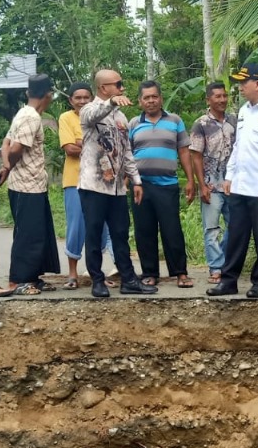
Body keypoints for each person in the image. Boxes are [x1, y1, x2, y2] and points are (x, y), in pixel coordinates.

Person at [206, 63, 258, 299]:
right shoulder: (243, 111)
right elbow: (239, 147)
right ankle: (229, 280)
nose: (240, 87)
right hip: (240, 186)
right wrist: (230, 176)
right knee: (236, 235)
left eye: (243, 83)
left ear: (257, 83)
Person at [78, 69, 158, 298]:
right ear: (104, 88)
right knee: (94, 233)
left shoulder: (121, 118)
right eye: (118, 84)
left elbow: (127, 151)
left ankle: (129, 279)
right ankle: (97, 280)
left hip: (117, 188)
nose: (122, 88)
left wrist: (136, 180)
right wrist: (111, 102)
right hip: (93, 185)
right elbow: (90, 116)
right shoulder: (89, 109)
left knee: (121, 233)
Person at [0, 74, 61, 296]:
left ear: (27, 93)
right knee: (29, 234)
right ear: (48, 95)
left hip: (30, 184)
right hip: (27, 185)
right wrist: (8, 163)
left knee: (37, 232)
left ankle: (33, 277)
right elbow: (14, 149)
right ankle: (18, 281)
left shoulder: (21, 113)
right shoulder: (31, 117)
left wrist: (5, 167)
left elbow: (5, 142)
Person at [129, 81, 195, 288]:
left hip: (167, 185)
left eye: (154, 96)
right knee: (144, 230)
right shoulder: (133, 124)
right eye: (146, 97)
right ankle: (150, 273)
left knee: (172, 229)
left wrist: (191, 180)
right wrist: (126, 182)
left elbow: (184, 152)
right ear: (140, 101)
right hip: (140, 186)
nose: (151, 101)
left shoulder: (174, 121)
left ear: (161, 98)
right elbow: (127, 155)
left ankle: (180, 273)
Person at [58, 82, 113, 290]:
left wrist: (83, 144)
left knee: (100, 227)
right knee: (76, 226)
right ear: (70, 100)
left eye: (86, 97)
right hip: (75, 180)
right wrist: (92, 146)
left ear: (92, 98)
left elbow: (110, 147)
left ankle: (95, 273)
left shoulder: (100, 117)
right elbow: (69, 149)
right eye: (77, 98)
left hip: (100, 181)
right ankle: (72, 273)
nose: (82, 101)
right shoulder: (66, 118)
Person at [187, 81, 235, 284]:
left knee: (236, 226)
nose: (222, 99)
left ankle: (226, 263)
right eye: (217, 96)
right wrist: (202, 185)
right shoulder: (201, 124)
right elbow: (195, 155)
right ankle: (216, 267)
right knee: (212, 228)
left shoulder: (235, 120)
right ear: (208, 99)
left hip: (233, 184)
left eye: (224, 96)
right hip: (211, 184)